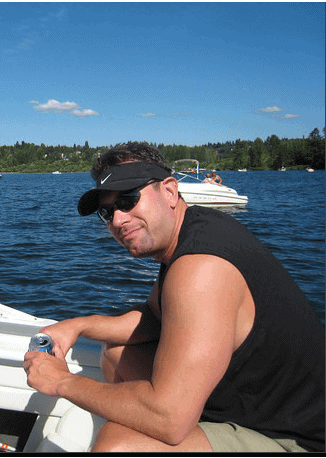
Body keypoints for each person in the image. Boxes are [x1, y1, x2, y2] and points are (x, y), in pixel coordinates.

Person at [23, 142, 324, 452]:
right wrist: (78, 326)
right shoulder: (195, 232)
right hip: (249, 401)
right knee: (117, 353)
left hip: (295, 438)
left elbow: (169, 419)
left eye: (128, 200)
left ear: (169, 191)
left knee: (118, 446)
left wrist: (63, 381)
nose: (117, 220)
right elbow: (155, 318)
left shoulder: (201, 266)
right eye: (106, 212)